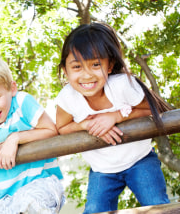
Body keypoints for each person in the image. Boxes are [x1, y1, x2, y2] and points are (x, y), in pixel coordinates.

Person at [55, 22, 171, 213]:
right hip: (102, 169)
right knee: (94, 211)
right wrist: (88, 124)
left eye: (95, 64)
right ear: (65, 71)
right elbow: (62, 127)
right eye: (77, 66)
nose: (86, 75)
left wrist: (115, 116)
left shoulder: (123, 85)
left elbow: (156, 108)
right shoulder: (67, 98)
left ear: (110, 66)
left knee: (157, 205)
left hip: (140, 159)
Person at [0, 56, 65, 214]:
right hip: (5, 197)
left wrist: (15, 138)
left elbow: (51, 130)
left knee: (32, 206)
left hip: (42, 183)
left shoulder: (22, 103)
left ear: (12, 88)